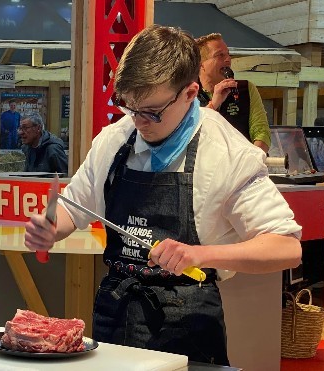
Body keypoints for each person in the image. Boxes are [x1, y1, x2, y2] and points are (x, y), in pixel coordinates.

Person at [24, 25, 301, 365]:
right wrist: (51, 228)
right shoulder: (114, 141)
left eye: (152, 111)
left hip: (187, 324)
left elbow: (286, 247)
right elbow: (75, 208)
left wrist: (200, 254)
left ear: (190, 93)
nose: (139, 121)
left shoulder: (229, 153)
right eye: (130, 108)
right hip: (116, 311)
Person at [196, 33, 270, 153]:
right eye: (220, 55)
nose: (228, 60)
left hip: (243, 165)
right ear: (201, 64)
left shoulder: (245, 89)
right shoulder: (188, 93)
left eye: (228, 54)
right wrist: (214, 104)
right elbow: (190, 135)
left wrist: (252, 161)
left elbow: (261, 132)